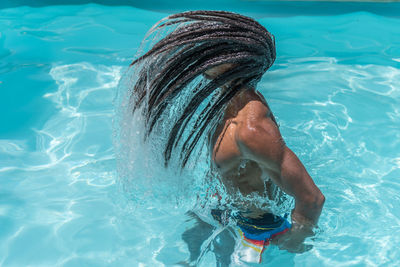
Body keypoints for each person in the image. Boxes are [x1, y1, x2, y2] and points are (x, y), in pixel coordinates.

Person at [128, 10, 325, 264]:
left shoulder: (250, 129)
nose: (207, 57)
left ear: (234, 64)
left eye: (217, 53)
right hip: (224, 212)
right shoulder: (227, 102)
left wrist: (293, 241)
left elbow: (312, 198)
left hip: (256, 229)